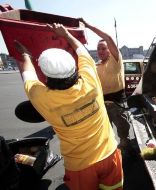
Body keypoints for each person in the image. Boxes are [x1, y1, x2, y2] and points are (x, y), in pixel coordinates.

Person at [14, 23, 123, 190]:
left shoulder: (41, 97)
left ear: (46, 75)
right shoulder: (91, 79)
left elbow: (28, 75)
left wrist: (26, 55)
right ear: (74, 67)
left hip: (81, 167)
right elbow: (81, 51)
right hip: (110, 155)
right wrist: (65, 34)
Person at [79, 18, 131, 148]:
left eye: (103, 48)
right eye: (98, 49)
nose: (100, 51)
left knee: (123, 134)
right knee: (105, 134)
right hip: (101, 104)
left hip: (117, 104)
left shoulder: (115, 61)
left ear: (110, 50)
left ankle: (126, 153)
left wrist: (88, 25)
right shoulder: (96, 66)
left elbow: (108, 38)